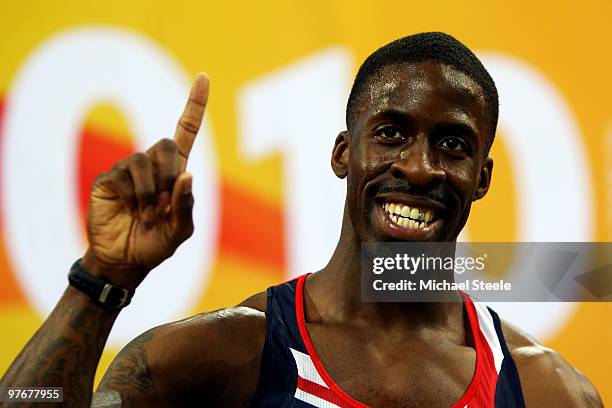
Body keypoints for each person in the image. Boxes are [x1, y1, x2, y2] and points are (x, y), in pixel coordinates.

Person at [0, 32, 603, 408]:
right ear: (345, 154)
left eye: (452, 145)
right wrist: (101, 278)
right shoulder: (229, 354)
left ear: (483, 178)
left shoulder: (546, 391)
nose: (420, 169)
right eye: (391, 134)